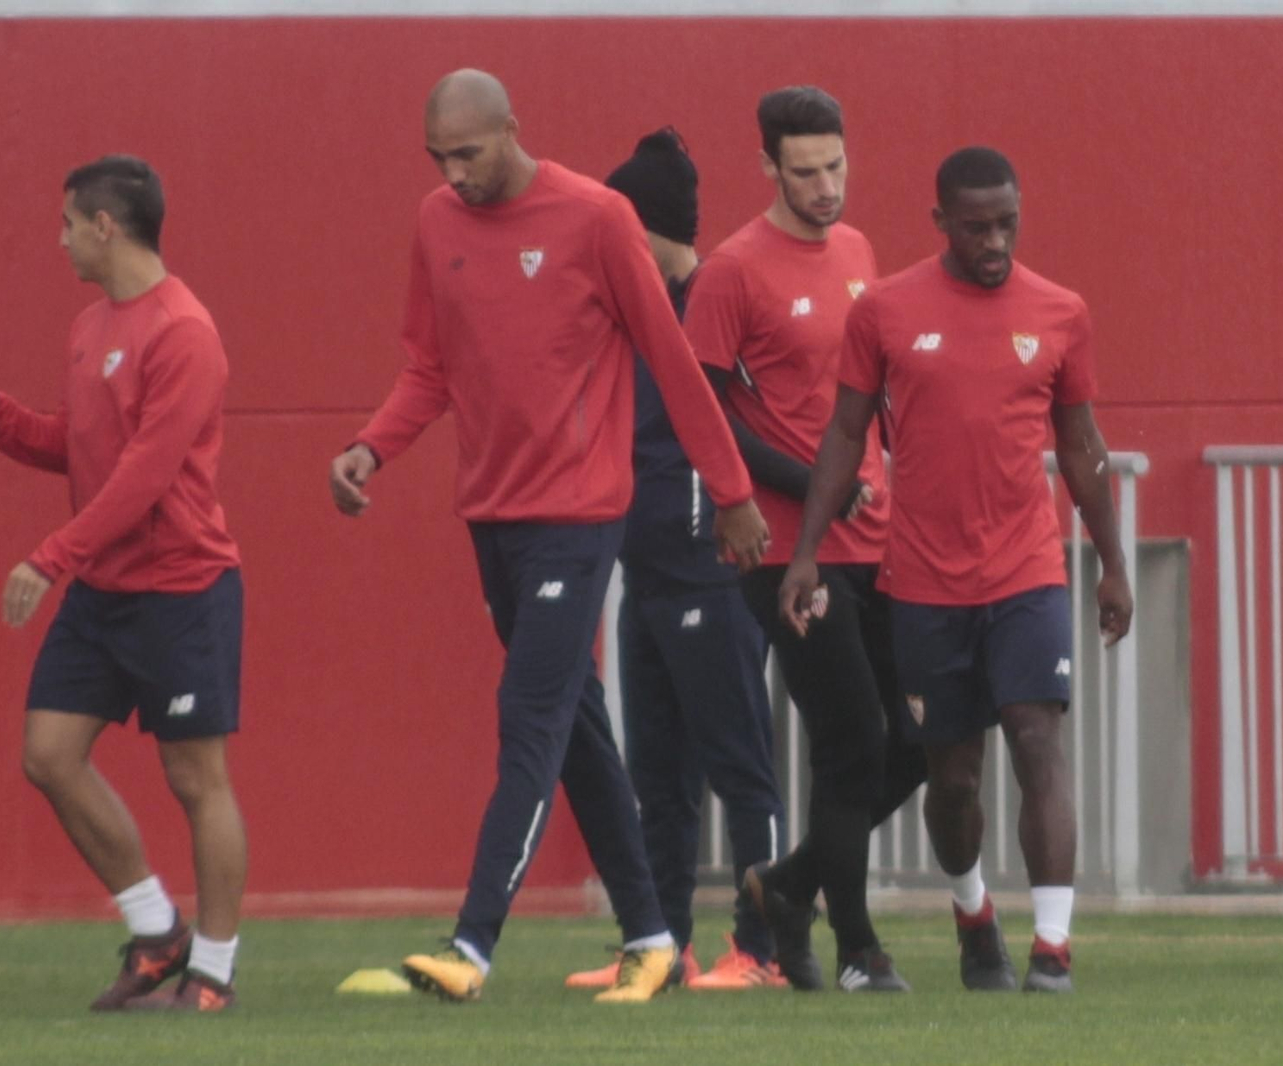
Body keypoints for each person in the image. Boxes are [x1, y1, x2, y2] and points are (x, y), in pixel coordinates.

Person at [327, 70, 769, 1004]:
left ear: (511, 131)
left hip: (579, 516)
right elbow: (428, 369)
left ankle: (471, 946)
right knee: (577, 731)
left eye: (467, 154)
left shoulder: (598, 219)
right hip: (493, 520)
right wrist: (372, 447)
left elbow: (673, 363)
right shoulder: (437, 222)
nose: (454, 174)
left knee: (528, 715)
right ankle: (652, 936)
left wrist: (731, 493)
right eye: (439, 158)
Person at [779, 146, 1134, 994]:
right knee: (953, 778)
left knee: (1037, 738)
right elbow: (845, 434)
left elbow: (1081, 447)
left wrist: (1113, 563)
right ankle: (973, 912)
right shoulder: (885, 311)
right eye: (977, 227)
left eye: (1008, 223)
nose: (995, 242)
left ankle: (1052, 949)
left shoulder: (1059, 312)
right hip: (925, 585)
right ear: (941, 222)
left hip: (1027, 572)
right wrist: (806, 553)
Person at [0, 155, 247, 1012]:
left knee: (196, 779)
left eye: (68, 223)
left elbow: (145, 476)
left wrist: (49, 558)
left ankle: (214, 970)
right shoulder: (89, 325)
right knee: (48, 756)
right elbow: (76, 447)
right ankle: (157, 933)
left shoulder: (184, 331)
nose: (62, 239)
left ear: (104, 226)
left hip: (183, 590)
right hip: (105, 592)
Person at [681, 86, 927, 994]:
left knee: (918, 741)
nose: (826, 187)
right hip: (789, 549)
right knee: (852, 738)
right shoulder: (732, 271)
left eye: (836, 165)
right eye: (805, 171)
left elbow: (867, 397)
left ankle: (788, 885)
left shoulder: (858, 250)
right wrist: (804, 487)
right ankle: (858, 948)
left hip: (879, 542)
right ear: (768, 167)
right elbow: (702, 417)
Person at [562, 128, 788, 993]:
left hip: (710, 572)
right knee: (657, 777)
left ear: (650, 229)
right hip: (644, 573)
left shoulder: (710, 306)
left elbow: (744, 426)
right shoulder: (630, 315)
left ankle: (762, 950)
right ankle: (661, 946)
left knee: (741, 767)